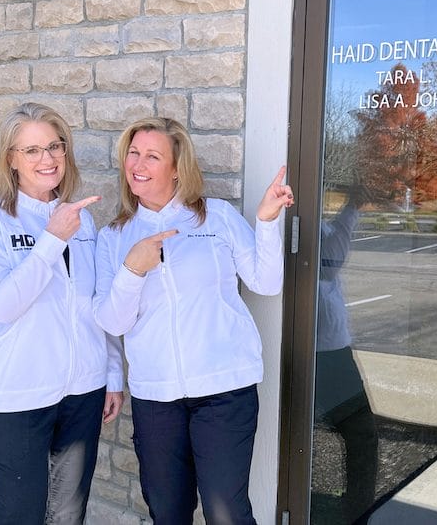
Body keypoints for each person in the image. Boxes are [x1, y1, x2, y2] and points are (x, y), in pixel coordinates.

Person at [93, 117, 293, 524]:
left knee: (227, 515)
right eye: (133, 153)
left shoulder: (214, 218)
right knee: (168, 513)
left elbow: (266, 282)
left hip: (224, 391)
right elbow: (112, 322)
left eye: (152, 155)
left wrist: (268, 221)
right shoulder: (114, 237)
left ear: (176, 167)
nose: (138, 163)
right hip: (157, 399)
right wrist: (133, 269)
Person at [0, 102, 124, 525]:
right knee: (22, 517)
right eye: (31, 150)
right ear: (11, 159)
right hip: (15, 397)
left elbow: (93, 306)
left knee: (69, 516)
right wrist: (51, 240)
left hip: (81, 394)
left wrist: (111, 375)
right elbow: (2, 305)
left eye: (55, 146)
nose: (47, 158)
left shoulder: (82, 221)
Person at [313, 185, 378, 522]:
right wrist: (353, 207)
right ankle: (354, 515)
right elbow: (329, 263)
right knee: (361, 435)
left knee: (360, 436)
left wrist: (352, 207)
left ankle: (354, 511)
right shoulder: (301, 225)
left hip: (335, 348)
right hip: (322, 354)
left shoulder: (317, 224)